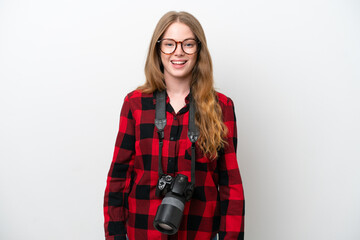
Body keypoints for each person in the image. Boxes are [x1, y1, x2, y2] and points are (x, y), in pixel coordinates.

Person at [103, 11, 245, 240]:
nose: (178, 52)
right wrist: (115, 235)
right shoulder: (135, 104)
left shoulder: (221, 107)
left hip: (198, 231)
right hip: (143, 231)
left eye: (188, 44)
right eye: (169, 44)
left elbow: (230, 186)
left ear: (199, 50)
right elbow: (118, 178)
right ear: (158, 49)